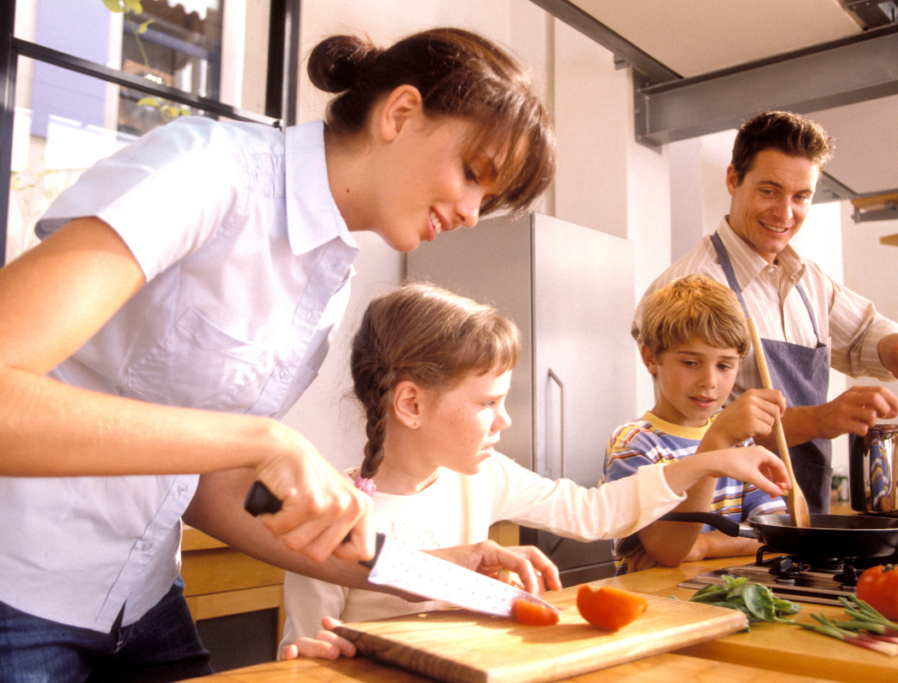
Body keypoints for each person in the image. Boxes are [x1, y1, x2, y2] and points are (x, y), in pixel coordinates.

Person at [0, 27, 559, 682]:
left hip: (143, 605)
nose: (470, 212)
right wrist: (260, 438)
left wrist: (423, 571)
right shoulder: (207, 170)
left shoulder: (327, 277)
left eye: (488, 201)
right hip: (19, 595)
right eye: (472, 174)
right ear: (400, 113)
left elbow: (217, 489)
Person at [278, 283, 790, 660]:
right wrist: (310, 655)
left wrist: (708, 459)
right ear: (410, 403)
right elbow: (299, 650)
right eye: (488, 403)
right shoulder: (332, 513)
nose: (504, 420)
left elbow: (594, 513)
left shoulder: (484, 476)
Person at [634, 111, 898, 514]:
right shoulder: (686, 285)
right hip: (721, 520)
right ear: (732, 180)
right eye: (769, 191)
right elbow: (703, 432)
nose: (785, 213)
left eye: (801, 196)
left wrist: (895, 343)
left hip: (804, 512)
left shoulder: (809, 281)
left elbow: (864, 334)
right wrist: (821, 419)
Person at [606, 275, 788, 574]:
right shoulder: (634, 443)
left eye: (725, 365)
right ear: (651, 358)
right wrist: (717, 441)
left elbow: (773, 534)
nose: (709, 382)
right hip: (656, 606)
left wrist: (704, 546)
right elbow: (668, 550)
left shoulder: (742, 443)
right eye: (690, 363)